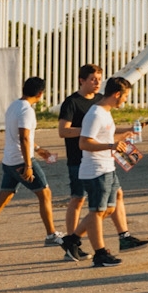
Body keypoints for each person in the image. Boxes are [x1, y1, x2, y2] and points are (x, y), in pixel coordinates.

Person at [0, 76, 57, 251]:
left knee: (2, 199)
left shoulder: (14, 106)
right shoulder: (27, 111)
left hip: (9, 161)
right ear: (40, 94)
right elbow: (24, 137)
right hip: (21, 161)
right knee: (45, 194)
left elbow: (21, 136)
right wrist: (29, 165)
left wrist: (38, 149)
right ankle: (51, 235)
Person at [75, 77, 148, 268]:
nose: (126, 100)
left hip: (107, 166)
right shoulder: (96, 114)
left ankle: (76, 239)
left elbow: (106, 135)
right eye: (125, 96)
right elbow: (84, 143)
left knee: (115, 200)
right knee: (97, 211)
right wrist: (112, 145)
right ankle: (99, 253)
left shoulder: (105, 112)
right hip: (96, 169)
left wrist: (125, 134)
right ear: (117, 94)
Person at [55, 66, 101, 256]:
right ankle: (72, 243)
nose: (97, 82)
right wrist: (86, 130)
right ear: (81, 80)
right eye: (92, 79)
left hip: (98, 157)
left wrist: (128, 131)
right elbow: (63, 131)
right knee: (78, 199)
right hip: (78, 159)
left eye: (99, 78)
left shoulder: (100, 100)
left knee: (103, 203)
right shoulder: (72, 102)